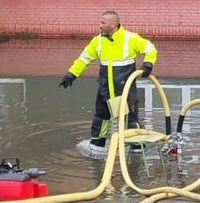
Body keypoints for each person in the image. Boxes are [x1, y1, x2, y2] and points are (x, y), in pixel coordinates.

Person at [59, 10, 158, 147]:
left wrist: (147, 65)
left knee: (130, 119)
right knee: (101, 118)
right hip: (105, 88)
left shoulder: (130, 38)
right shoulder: (98, 41)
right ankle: (97, 145)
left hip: (125, 89)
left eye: (102, 23)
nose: (99, 26)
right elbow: (84, 59)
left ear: (113, 25)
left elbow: (150, 48)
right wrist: (71, 74)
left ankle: (137, 149)